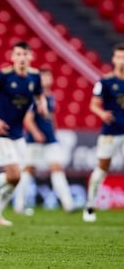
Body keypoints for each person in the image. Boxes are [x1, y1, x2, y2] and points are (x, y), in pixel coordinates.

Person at [0, 41, 48, 226]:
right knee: (14, 175)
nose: (22, 58)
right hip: (0, 132)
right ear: (12, 57)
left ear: (31, 57)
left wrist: (42, 104)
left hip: (18, 133)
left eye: (25, 54)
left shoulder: (35, 77)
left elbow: (39, 94)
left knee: (16, 177)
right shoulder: (3, 76)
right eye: (18, 54)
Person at [14, 67, 74, 215]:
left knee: (57, 167)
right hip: (35, 141)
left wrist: (54, 132)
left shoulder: (51, 97)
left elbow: (51, 117)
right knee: (28, 170)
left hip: (50, 140)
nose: (46, 79)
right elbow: (27, 119)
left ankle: (68, 204)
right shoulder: (34, 97)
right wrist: (36, 133)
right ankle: (19, 204)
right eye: (43, 77)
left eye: (48, 77)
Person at [83, 43, 124, 222]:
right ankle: (90, 205)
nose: (121, 61)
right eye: (119, 57)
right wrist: (102, 113)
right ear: (113, 59)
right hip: (111, 131)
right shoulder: (105, 82)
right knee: (102, 168)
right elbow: (93, 105)